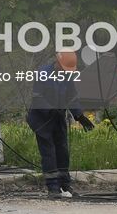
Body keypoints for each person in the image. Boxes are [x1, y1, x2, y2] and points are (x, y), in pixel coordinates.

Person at [25, 50, 94, 198]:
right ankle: (53, 188)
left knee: (62, 151)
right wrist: (50, 109)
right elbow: (38, 97)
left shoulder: (67, 76)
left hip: (57, 118)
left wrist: (79, 115)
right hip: (42, 119)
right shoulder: (43, 73)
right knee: (49, 153)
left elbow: (71, 97)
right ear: (57, 63)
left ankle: (64, 184)